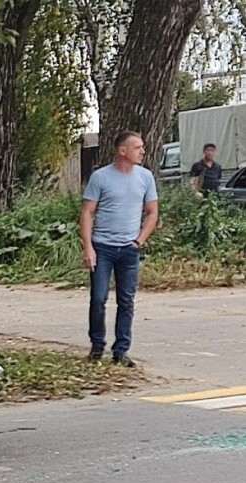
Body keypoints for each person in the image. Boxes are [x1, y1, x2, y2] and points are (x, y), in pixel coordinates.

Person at [80, 131, 159, 368]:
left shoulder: (145, 177)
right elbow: (87, 212)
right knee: (98, 298)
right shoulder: (101, 177)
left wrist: (139, 241)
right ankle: (96, 346)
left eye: (142, 147)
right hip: (102, 247)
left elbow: (152, 212)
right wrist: (88, 247)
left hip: (129, 249)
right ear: (122, 151)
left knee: (126, 301)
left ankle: (121, 350)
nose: (142, 151)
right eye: (137, 147)